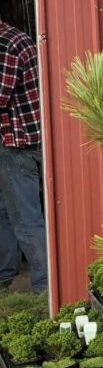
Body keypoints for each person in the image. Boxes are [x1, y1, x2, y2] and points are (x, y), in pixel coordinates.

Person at [0, 18, 48, 294]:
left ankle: (44, 285)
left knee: (25, 218)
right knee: (5, 209)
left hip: (19, 142)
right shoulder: (17, 37)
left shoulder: (5, 45)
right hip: (22, 137)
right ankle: (5, 272)